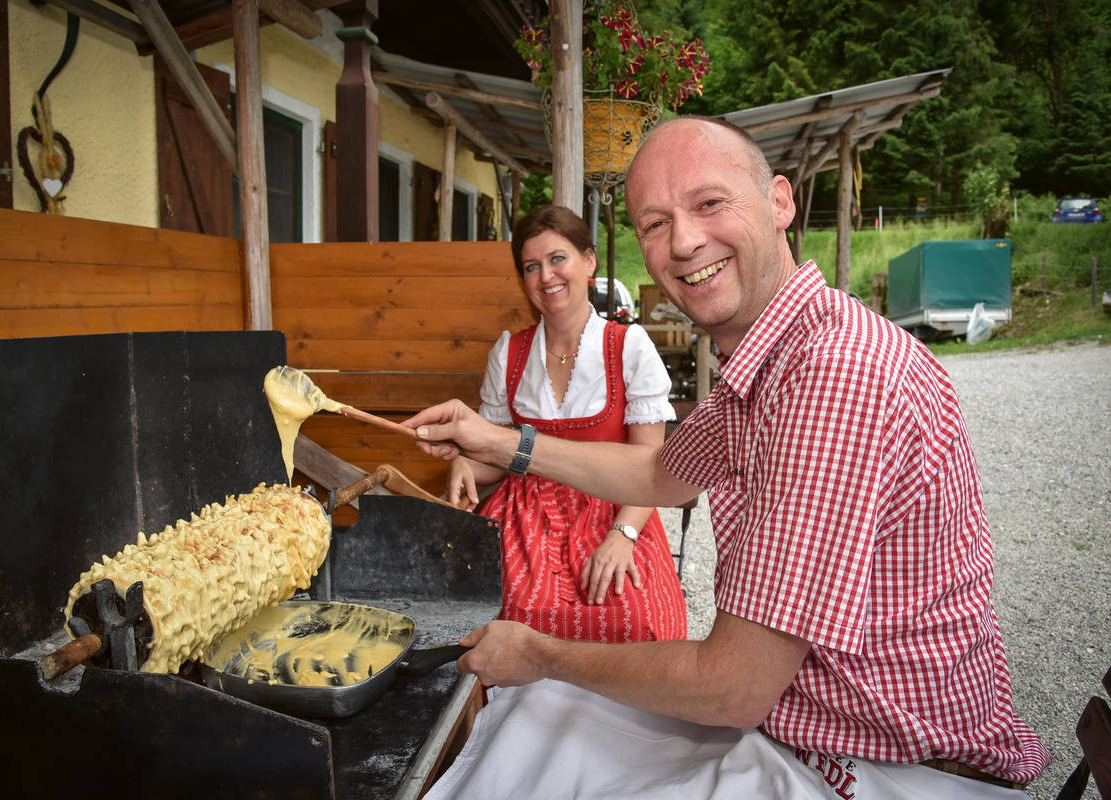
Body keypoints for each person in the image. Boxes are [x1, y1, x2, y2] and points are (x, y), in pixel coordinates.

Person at [408, 117, 1049, 797]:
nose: (683, 242)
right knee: (532, 727)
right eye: (655, 224)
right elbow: (662, 475)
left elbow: (733, 688)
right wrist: (499, 442)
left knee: (526, 735)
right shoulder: (771, 358)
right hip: (803, 724)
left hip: (882, 764)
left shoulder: (833, 372)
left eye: (709, 203)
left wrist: (539, 652)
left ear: (779, 201)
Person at [450, 205, 686, 644]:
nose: (546, 276)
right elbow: (495, 457)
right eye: (532, 266)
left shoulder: (628, 347)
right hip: (523, 521)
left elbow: (652, 468)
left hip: (614, 510)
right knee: (502, 616)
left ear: (588, 261)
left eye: (558, 258)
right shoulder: (509, 353)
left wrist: (624, 534)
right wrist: (467, 465)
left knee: (635, 619)